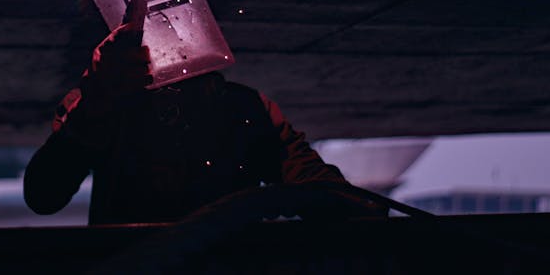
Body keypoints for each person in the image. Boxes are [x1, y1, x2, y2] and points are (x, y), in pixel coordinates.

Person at [23, 22, 386, 225]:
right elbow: (43, 195)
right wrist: (98, 101)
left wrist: (337, 204)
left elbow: (318, 184)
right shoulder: (98, 106)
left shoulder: (244, 107)